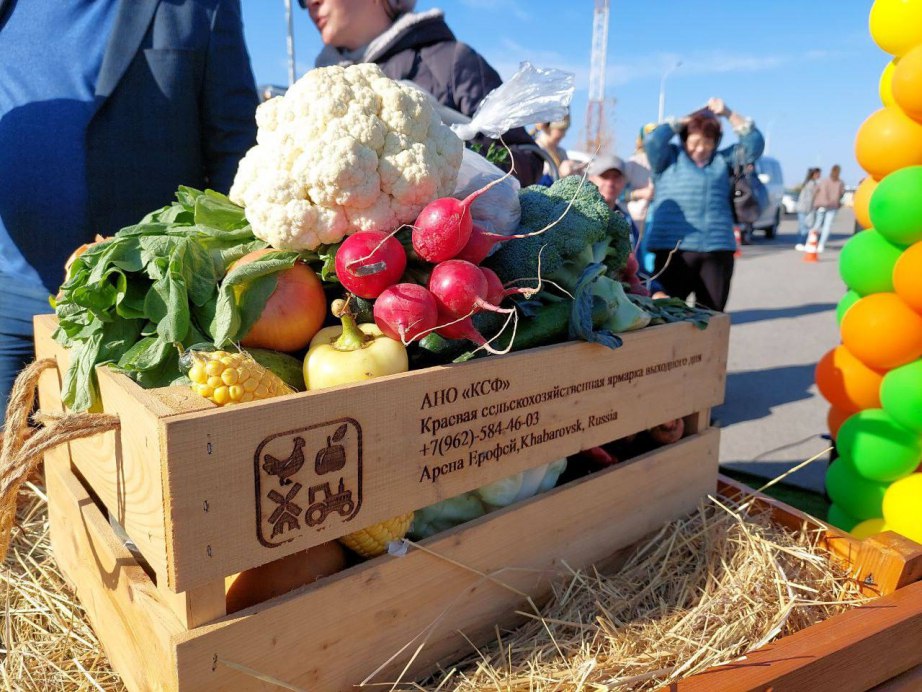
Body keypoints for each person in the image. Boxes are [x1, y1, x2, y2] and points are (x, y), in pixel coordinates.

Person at [0, 0, 259, 413]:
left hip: (139, 317)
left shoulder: (199, 7)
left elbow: (235, 148)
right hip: (8, 300)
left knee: (112, 471)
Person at [304, 0, 544, 187]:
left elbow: (529, 159)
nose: (311, 4)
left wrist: (452, 156)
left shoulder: (451, 62)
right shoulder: (313, 90)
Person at [643, 98, 765, 312]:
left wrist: (728, 113)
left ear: (715, 142)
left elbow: (754, 145)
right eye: (694, 142)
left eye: (707, 143)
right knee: (666, 315)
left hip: (717, 250)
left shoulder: (723, 160)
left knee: (711, 316)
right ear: (684, 138)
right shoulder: (666, 159)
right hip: (673, 251)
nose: (700, 149)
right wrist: (683, 121)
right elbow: (652, 141)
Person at [587, 154, 640, 247]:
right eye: (604, 176)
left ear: (624, 182)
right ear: (591, 179)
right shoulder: (580, 216)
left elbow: (635, 258)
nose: (610, 183)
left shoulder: (627, 222)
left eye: (616, 177)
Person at [809, 165, 846, 253]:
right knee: (827, 226)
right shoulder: (840, 182)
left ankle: (810, 242)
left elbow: (815, 191)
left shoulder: (823, 181)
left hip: (821, 205)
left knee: (817, 224)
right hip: (833, 206)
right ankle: (821, 245)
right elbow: (842, 193)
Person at [534, 116, 571, 186]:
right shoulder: (535, 151)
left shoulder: (562, 152)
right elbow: (533, 186)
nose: (564, 135)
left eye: (565, 130)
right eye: (561, 129)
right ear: (547, 127)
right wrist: (561, 174)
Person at [794, 167, 821, 249]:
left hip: (806, 208)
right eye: (818, 174)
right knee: (804, 227)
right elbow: (810, 198)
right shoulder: (811, 184)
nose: (819, 175)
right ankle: (801, 243)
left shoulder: (811, 183)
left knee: (804, 226)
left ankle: (801, 242)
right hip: (804, 208)